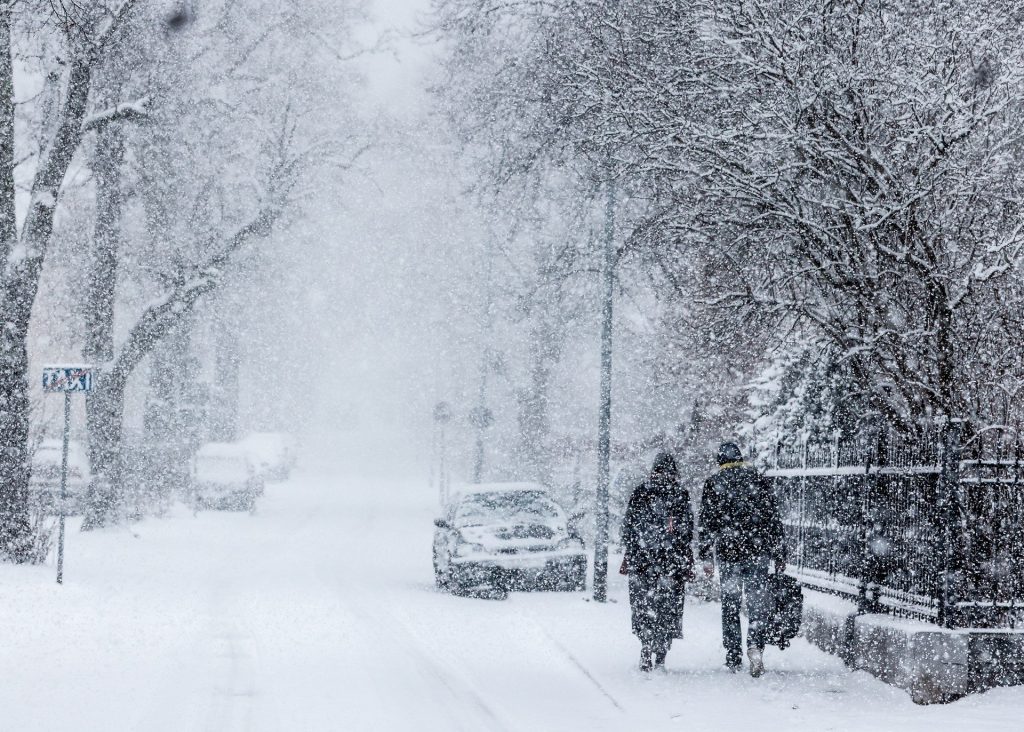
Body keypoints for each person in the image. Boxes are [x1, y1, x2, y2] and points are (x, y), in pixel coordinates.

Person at [698, 442, 786, 678]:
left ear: (721, 462)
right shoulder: (758, 480)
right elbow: (772, 519)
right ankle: (755, 646)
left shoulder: (714, 483)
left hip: (729, 554)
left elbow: (707, 523)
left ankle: (733, 654)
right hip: (758, 553)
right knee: (757, 604)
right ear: (740, 458)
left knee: (730, 605)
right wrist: (779, 553)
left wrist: (706, 556)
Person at [620, 452, 694, 672]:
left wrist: (635, 549)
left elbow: (628, 528)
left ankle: (645, 645)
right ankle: (661, 651)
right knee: (668, 606)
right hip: (671, 563)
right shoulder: (680, 494)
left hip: (642, 562)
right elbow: (687, 531)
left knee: (643, 605)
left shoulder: (640, 492)